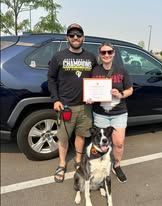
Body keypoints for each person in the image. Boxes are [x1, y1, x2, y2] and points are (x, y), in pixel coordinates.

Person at [48, 23, 97, 183]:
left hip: (85, 107)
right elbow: (51, 79)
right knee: (63, 138)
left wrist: (97, 93)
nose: (75, 37)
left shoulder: (91, 57)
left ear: (84, 37)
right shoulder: (58, 56)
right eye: (72, 35)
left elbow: (97, 79)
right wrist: (55, 99)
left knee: (81, 135)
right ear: (67, 38)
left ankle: (77, 160)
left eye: (78, 34)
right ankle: (62, 164)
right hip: (66, 106)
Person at [92, 42, 133, 183]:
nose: (106, 55)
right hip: (100, 114)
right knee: (101, 144)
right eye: (103, 52)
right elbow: (90, 89)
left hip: (119, 113)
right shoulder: (95, 71)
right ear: (100, 54)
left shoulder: (122, 70)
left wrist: (120, 94)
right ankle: (101, 165)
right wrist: (90, 98)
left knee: (119, 143)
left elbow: (130, 90)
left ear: (114, 53)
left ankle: (116, 165)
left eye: (109, 52)